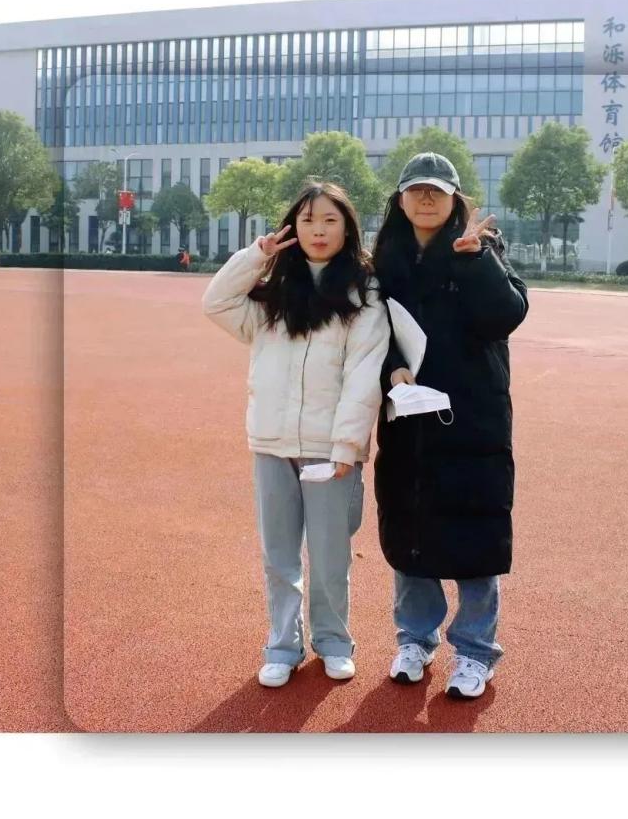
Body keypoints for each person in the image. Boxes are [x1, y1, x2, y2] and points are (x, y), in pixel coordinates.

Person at [202, 182, 390, 688]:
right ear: (292, 228)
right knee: (279, 556)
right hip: (272, 441)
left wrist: (348, 445)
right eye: (307, 221)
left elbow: (364, 373)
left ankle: (334, 641)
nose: (318, 231)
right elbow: (216, 303)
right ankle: (282, 645)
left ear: (347, 228)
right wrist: (256, 256)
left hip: (329, 448)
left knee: (330, 555)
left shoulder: (365, 293)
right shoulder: (272, 296)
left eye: (329, 220)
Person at [372, 153, 529, 699]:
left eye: (437, 191)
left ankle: (476, 651)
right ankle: (414, 640)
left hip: (472, 421)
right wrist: (393, 366)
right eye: (416, 190)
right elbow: (369, 332)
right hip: (408, 420)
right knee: (411, 533)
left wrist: (476, 260)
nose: (426, 199)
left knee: (475, 533)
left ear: (455, 200)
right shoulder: (384, 262)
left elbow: (506, 316)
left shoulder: (481, 250)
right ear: (400, 200)